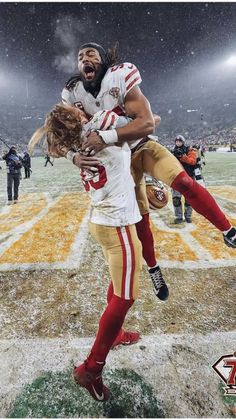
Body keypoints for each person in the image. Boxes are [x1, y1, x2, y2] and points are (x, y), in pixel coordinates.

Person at [61, 42, 236, 281]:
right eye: (80, 56)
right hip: (117, 164)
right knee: (140, 216)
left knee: (183, 182)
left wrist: (106, 135)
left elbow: (149, 123)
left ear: (103, 60)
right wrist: (74, 156)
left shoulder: (119, 76)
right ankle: (154, 269)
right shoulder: (72, 94)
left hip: (142, 146)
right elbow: (56, 136)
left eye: (91, 54)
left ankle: (228, 230)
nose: (84, 59)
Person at [29, 104, 143, 402]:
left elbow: (54, 145)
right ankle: (91, 368)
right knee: (125, 297)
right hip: (116, 223)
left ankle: (115, 334)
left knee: (119, 285)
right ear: (79, 118)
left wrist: (72, 155)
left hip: (103, 221)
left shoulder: (75, 141)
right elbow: (149, 122)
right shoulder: (102, 122)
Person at [172, 135, 197, 223]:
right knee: (176, 199)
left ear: (183, 142)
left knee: (189, 199)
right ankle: (178, 217)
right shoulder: (172, 152)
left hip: (188, 177)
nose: (178, 143)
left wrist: (183, 157)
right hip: (176, 178)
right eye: (176, 141)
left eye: (180, 141)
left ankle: (188, 216)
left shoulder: (189, 150)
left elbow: (193, 161)